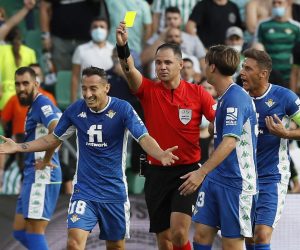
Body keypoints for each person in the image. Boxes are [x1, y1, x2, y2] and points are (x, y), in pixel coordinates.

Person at [0, 66, 179, 250]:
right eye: (84, 88)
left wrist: (159, 153)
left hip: (113, 192)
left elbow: (143, 137)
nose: (87, 94)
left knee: (116, 246)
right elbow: (52, 138)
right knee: (74, 242)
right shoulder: (75, 110)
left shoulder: (122, 108)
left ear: (106, 88)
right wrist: (18, 147)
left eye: (93, 88)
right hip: (84, 191)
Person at [116, 22, 216, 250]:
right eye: (158, 62)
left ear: (181, 65)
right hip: (155, 172)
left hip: (187, 172)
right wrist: (123, 47)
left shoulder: (198, 92)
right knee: (164, 240)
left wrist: (212, 131)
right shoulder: (148, 91)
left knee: (179, 234)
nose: (162, 67)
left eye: (168, 62)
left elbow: (219, 123)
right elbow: (130, 70)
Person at [179, 45, 258, 250]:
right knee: (202, 234)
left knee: (231, 243)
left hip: (236, 181)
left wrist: (201, 172)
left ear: (212, 67)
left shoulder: (235, 97)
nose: (204, 68)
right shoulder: (224, 97)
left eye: (206, 64)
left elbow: (230, 141)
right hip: (216, 177)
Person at [240, 48, 300, 250]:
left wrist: (286, 134)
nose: (242, 72)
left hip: (272, 176)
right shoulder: (237, 97)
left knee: (262, 234)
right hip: (243, 177)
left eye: (248, 68)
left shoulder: (285, 97)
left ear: (263, 74)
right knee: (248, 237)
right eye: (242, 67)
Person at [6, 67, 61, 250]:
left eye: (25, 83)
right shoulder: (34, 106)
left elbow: (57, 130)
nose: (21, 88)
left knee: (34, 233)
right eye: (17, 84)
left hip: (42, 175)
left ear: (36, 84)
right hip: (32, 173)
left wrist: (46, 159)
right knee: (19, 232)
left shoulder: (42, 103)